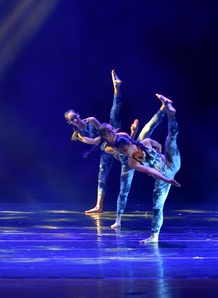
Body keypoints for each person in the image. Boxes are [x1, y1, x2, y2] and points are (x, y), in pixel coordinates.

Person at [114, 94, 180, 244]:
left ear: (130, 144)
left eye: (124, 150)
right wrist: (167, 179)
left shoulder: (146, 142)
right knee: (157, 206)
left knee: (171, 139)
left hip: (171, 163)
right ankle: (154, 236)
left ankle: (170, 114)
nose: (124, 154)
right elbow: (151, 171)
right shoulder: (132, 162)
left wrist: (161, 156)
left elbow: (159, 146)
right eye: (122, 152)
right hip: (163, 177)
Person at [98, 93, 169, 229]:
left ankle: (163, 107)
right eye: (110, 132)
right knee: (123, 191)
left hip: (135, 151)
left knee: (148, 129)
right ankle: (118, 220)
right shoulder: (107, 147)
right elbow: (123, 152)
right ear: (105, 136)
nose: (113, 132)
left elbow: (130, 144)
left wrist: (133, 131)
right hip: (128, 164)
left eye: (112, 129)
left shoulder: (121, 135)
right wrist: (134, 131)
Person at [64, 70, 122, 214]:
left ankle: (117, 87)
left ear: (79, 115)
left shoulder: (91, 120)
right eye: (72, 119)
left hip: (110, 133)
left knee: (114, 112)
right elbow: (94, 142)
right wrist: (92, 141)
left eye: (75, 116)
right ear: (69, 122)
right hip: (105, 148)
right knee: (102, 176)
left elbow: (101, 134)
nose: (75, 120)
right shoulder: (77, 134)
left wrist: (95, 140)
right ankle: (99, 206)